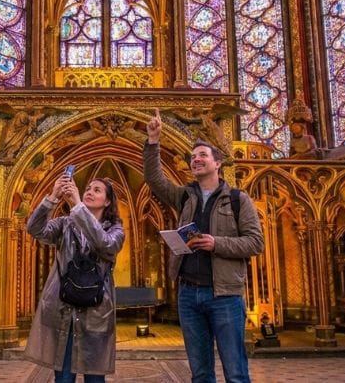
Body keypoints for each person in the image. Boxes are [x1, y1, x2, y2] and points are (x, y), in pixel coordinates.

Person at [143, 108, 264, 383]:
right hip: (189, 293)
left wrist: (215, 243)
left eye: (202, 156)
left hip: (224, 295)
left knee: (235, 371)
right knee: (200, 373)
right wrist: (153, 142)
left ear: (217, 163)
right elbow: (154, 179)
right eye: (193, 157)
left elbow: (256, 242)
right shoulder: (185, 196)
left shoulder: (237, 199)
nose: (195, 160)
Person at [24, 173, 125, 382]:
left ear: (107, 201)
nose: (89, 192)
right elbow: (34, 229)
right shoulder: (65, 224)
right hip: (63, 309)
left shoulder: (116, 230)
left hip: (96, 311)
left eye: (96, 190)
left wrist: (78, 205)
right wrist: (52, 197)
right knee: (63, 377)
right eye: (87, 188)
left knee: (95, 379)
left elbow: (104, 244)